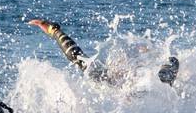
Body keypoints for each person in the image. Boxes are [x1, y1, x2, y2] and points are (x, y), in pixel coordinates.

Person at [27, 18, 179, 86]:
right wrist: (54, 31)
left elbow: (172, 63)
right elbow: (75, 55)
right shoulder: (104, 78)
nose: (122, 66)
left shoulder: (148, 80)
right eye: (120, 62)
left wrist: (170, 63)